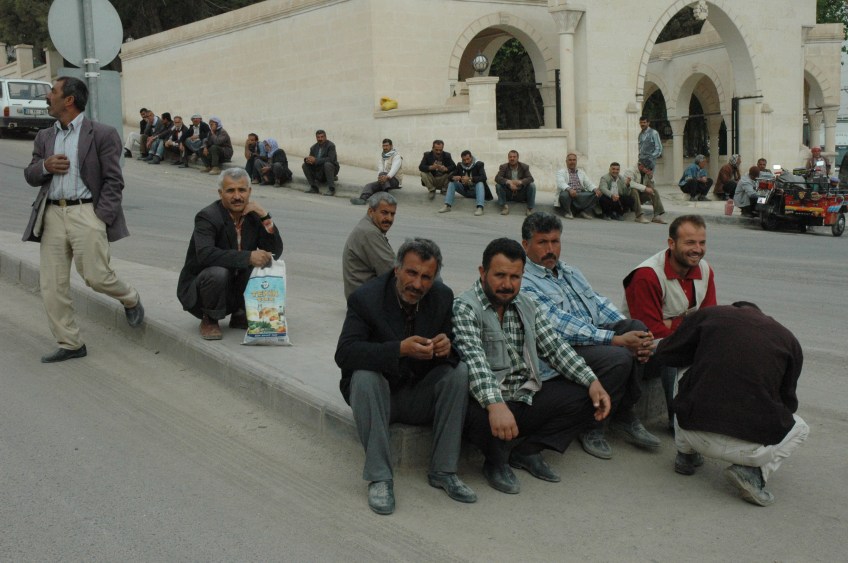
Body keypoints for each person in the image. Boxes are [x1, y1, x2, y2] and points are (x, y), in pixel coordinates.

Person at [453, 238, 626, 494]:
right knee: (476, 415)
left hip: (524, 395)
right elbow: (475, 361)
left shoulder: (527, 304)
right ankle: (495, 462)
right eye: (500, 275)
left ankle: (528, 450)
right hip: (487, 401)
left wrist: (592, 381)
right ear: (483, 272)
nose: (507, 284)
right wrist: (495, 405)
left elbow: (555, 348)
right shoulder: (466, 307)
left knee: (585, 397)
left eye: (515, 277)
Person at [335, 239, 476, 515]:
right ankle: (380, 478)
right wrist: (399, 349)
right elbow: (345, 353)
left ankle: (444, 470)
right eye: (411, 273)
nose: (417, 284)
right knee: (364, 376)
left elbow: (451, 350)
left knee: (458, 372)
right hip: (378, 399)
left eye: (426, 277)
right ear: (397, 269)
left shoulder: (441, 297)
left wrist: (446, 348)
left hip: (417, 393)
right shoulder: (366, 298)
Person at [520, 212, 661, 459]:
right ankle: (592, 426)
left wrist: (635, 335)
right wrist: (615, 340)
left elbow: (599, 304)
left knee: (637, 328)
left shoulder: (570, 272)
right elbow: (559, 325)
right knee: (618, 357)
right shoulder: (524, 280)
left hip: (591, 338)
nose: (550, 249)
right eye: (542, 242)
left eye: (555, 241)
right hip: (559, 349)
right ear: (526, 245)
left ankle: (624, 412)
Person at [23, 76, 144, 363]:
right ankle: (70, 342)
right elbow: (30, 174)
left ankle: (130, 297)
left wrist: (100, 217)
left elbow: (114, 181)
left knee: (96, 276)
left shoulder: (102, 134)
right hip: (52, 214)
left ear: (69, 100)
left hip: (86, 211)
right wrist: (45, 166)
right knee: (52, 285)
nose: (47, 96)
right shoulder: (45, 136)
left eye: (53, 92)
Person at [656, 302, 808, 507]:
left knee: (683, 368)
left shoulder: (711, 315)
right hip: (751, 450)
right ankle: (753, 473)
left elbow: (667, 353)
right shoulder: (789, 339)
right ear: (761, 315)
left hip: (693, 433)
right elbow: (788, 402)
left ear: (734, 309)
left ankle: (685, 455)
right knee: (801, 428)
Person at [622, 215, 717, 427]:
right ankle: (679, 423)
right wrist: (690, 327)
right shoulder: (647, 275)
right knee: (675, 354)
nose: (697, 249)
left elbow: (710, 320)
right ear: (671, 244)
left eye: (702, 243)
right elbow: (651, 331)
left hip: (678, 339)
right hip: (643, 351)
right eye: (690, 243)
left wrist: (673, 323)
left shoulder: (705, 269)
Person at [177, 168, 282, 340]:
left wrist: (264, 216)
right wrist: (248, 257)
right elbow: (205, 254)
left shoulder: (253, 215)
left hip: (232, 287)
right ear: (220, 193)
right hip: (201, 290)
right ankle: (210, 319)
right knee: (219, 272)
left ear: (249, 191)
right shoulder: (207, 217)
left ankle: (240, 313)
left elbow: (274, 252)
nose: (237, 196)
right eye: (230, 191)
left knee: (261, 264)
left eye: (242, 190)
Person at [342, 192, 397, 299]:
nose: (389, 218)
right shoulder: (369, 233)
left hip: (363, 295)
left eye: (392, 214)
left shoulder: (368, 226)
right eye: (384, 213)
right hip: (366, 300)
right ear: (371, 211)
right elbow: (392, 271)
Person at [350, 138, 403, 205]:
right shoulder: (382, 157)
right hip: (384, 180)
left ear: (391, 146)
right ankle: (362, 199)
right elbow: (380, 169)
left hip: (394, 180)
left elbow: (394, 170)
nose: (385, 147)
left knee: (383, 174)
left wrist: (386, 177)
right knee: (369, 185)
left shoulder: (397, 156)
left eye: (387, 146)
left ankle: (385, 197)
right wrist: (380, 177)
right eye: (383, 146)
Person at [439, 149, 491, 216]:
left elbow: (483, 177)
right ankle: (447, 206)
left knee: (480, 183)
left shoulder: (479, 164)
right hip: (466, 191)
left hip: (476, 191)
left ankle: (480, 208)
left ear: (471, 157)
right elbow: (450, 177)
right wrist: (454, 177)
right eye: (464, 160)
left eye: (468, 159)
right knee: (452, 183)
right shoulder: (460, 165)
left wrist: (470, 179)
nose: (466, 162)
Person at [555, 152, 601, 220]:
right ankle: (568, 212)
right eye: (570, 160)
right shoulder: (561, 172)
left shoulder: (581, 172)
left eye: (574, 160)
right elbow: (561, 183)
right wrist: (570, 189)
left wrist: (595, 189)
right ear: (566, 161)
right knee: (564, 195)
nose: (572, 162)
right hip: (568, 194)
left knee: (596, 194)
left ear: (576, 161)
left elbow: (588, 183)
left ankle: (583, 212)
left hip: (579, 194)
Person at [620, 159, 667, 224]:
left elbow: (652, 187)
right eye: (647, 168)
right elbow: (631, 183)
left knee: (655, 191)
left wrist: (650, 178)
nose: (649, 170)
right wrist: (645, 188)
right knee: (634, 190)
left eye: (650, 169)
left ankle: (657, 216)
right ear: (640, 165)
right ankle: (639, 216)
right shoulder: (630, 171)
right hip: (628, 196)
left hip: (640, 196)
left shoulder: (647, 173)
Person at [494, 150, 536, 216]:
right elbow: (497, 178)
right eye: (510, 157)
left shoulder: (524, 167)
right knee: (498, 185)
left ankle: (529, 209)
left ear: (517, 158)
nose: (512, 158)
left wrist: (520, 182)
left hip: (521, 194)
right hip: (508, 193)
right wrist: (508, 182)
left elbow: (530, 178)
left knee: (532, 185)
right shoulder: (503, 167)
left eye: (514, 157)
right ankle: (504, 207)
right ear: (508, 158)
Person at [302, 129, 340, 196]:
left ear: (325, 137)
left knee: (327, 164)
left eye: (322, 137)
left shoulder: (331, 146)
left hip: (331, 168)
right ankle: (314, 188)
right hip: (319, 170)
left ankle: (331, 189)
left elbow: (331, 159)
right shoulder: (313, 147)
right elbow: (311, 158)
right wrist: (307, 160)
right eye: (318, 137)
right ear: (316, 138)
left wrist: (316, 160)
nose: (320, 139)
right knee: (304, 165)